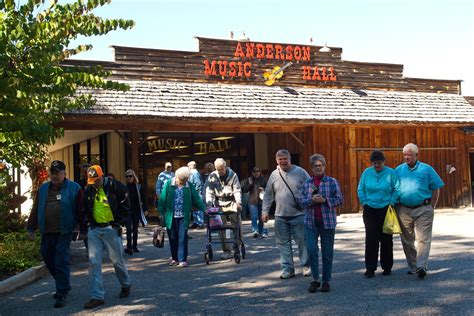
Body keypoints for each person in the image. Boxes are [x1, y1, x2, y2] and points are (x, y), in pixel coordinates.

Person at [27, 160, 82, 308]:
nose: (54, 175)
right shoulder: (43, 189)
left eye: (57, 172)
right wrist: (31, 228)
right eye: (52, 172)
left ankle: (61, 293)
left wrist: (82, 228)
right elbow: (35, 209)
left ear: (64, 173)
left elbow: (80, 209)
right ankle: (63, 283)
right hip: (47, 231)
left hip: (64, 231)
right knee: (47, 257)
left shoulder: (74, 188)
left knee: (60, 260)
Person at [81, 165, 131, 309]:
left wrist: (118, 224)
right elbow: (84, 208)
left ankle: (126, 284)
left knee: (117, 261)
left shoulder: (116, 187)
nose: (94, 183)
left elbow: (126, 206)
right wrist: (87, 224)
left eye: (96, 180)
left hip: (111, 228)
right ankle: (97, 296)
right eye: (92, 180)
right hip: (95, 229)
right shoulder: (88, 189)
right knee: (94, 262)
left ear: (102, 176)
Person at [395, 143, 444, 279]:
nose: (406, 157)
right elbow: (393, 188)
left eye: (409, 155)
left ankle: (422, 266)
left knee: (423, 239)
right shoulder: (398, 170)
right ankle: (413, 266)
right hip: (403, 209)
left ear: (417, 155)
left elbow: (436, 187)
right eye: (404, 155)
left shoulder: (427, 169)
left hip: (423, 209)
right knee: (407, 240)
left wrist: (431, 206)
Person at [262, 149, 310, 279]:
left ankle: (306, 266)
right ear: (276, 161)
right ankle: (288, 269)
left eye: (285, 158)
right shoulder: (273, 175)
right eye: (280, 159)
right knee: (283, 244)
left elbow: (311, 189)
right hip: (280, 215)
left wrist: (308, 203)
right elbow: (268, 195)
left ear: (290, 159)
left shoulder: (301, 172)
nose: (283, 161)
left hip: (299, 214)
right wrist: (265, 211)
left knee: (302, 241)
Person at [358, 150, 400, 278]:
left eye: (379, 163)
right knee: (371, 239)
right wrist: (364, 202)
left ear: (384, 162)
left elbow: (396, 188)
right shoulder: (366, 173)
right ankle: (370, 268)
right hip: (370, 209)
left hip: (386, 208)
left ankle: (387, 267)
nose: (377, 165)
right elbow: (361, 188)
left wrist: (392, 202)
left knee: (386, 238)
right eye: (375, 163)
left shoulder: (390, 173)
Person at [158, 167, 206, 267]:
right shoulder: (168, 184)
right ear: (178, 178)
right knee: (172, 237)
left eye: (186, 179)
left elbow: (196, 199)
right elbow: (162, 199)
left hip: (183, 216)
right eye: (183, 180)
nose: (185, 181)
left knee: (182, 237)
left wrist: (204, 209)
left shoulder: (189, 185)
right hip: (170, 216)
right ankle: (174, 258)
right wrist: (160, 212)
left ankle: (182, 259)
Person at [205, 158, 242, 260]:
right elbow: (209, 191)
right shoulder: (212, 176)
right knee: (222, 228)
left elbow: (237, 190)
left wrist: (239, 202)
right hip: (219, 203)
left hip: (232, 202)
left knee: (236, 226)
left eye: (222, 169)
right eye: (218, 169)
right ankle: (227, 251)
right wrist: (209, 205)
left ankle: (236, 248)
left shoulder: (233, 175)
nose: (220, 171)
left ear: (225, 167)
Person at [124, 169, 148, 255]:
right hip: (128, 211)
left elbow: (143, 198)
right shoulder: (124, 187)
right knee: (128, 229)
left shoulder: (139, 186)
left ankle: (134, 246)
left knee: (135, 229)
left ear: (134, 177)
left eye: (130, 176)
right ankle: (129, 247)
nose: (128, 178)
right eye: (127, 176)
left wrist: (145, 209)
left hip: (136, 210)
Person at [241, 167, 268, 238]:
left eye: (258, 172)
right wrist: (250, 185)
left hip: (261, 201)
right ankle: (255, 230)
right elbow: (244, 190)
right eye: (255, 172)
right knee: (254, 217)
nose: (257, 174)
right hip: (252, 201)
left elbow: (268, 189)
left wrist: (263, 189)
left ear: (260, 172)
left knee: (261, 217)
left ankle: (261, 230)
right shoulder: (250, 179)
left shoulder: (263, 179)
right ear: (252, 173)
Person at [187, 161, 204, 228]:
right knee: (195, 208)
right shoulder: (193, 173)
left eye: (188, 166)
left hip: (196, 194)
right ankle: (196, 222)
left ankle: (200, 223)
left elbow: (198, 184)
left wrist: (194, 193)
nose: (188, 168)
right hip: (194, 193)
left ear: (191, 166)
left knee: (198, 208)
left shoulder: (195, 173)